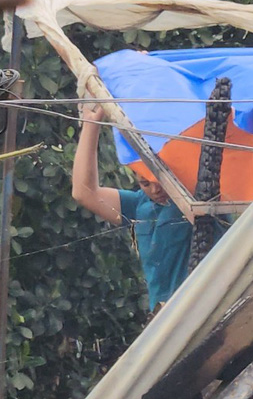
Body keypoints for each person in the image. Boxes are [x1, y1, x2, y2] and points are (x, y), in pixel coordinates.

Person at [70, 104, 208, 311]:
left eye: (159, 180)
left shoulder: (200, 196)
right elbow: (84, 193)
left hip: (205, 308)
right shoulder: (138, 205)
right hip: (162, 316)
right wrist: (91, 123)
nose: (154, 189)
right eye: (145, 183)